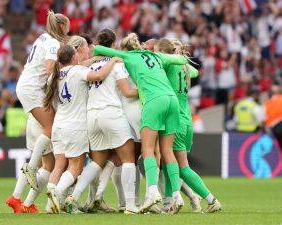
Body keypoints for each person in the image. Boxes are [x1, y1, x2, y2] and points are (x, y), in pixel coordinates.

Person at [93, 33, 188, 213]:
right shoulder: (157, 55)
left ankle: (152, 192)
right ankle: (176, 194)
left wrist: (112, 57)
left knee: (147, 150)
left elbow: (98, 49)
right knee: (167, 151)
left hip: (153, 102)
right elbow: (180, 59)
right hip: (172, 101)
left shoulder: (128, 56)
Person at [64, 29, 139, 214]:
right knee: (128, 157)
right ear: (114, 45)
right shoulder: (116, 64)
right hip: (111, 113)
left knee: (97, 162)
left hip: (92, 116)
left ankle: (73, 197)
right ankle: (130, 206)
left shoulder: (89, 65)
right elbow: (127, 92)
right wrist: (146, 91)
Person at [44, 45, 121, 214]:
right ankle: (56, 194)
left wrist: (95, 59)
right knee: (76, 166)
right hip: (75, 125)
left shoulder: (54, 76)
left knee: (59, 165)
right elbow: (99, 75)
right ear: (73, 57)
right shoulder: (78, 71)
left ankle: (50, 205)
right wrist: (113, 60)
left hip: (59, 125)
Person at [6, 11, 69, 214]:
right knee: (52, 128)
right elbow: (51, 67)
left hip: (29, 88)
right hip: (33, 90)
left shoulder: (43, 37)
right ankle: (30, 169)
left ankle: (20, 201)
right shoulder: (53, 44)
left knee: (49, 164)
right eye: (67, 26)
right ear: (61, 27)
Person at [155, 38, 221, 213]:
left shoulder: (168, 65)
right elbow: (195, 72)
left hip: (174, 119)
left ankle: (210, 199)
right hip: (186, 119)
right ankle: (169, 204)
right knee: (171, 164)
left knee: (181, 166)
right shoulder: (185, 68)